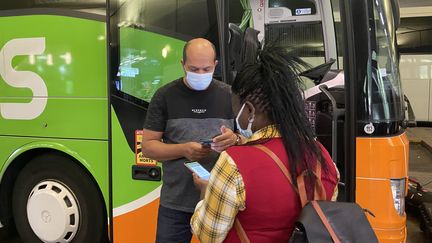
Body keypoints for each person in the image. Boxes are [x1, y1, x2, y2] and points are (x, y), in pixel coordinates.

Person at [190, 45, 339, 242]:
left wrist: (205, 191)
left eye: (237, 111)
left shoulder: (234, 164)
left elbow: (208, 235)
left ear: (250, 111)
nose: (237, 118)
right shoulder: (321, 156)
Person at [142, 38, 240, 243]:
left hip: (221, 201)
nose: (201, 74)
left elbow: (250, 142)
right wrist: (184, 149)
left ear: (216, 65)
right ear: (182, 65)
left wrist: (235, 138)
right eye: (194, 69)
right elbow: (148, 147)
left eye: (206, 69)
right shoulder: (164, 96)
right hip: (175, 203)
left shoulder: (230, 96)